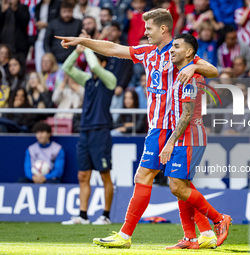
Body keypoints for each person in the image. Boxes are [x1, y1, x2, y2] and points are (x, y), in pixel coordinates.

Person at [56, 8, 219, 249]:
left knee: (149, 178)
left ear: (163, 29)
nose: (145, 32)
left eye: (149, 28)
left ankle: (125, 235)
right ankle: (205, 232)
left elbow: (213, 70)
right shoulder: (148, 52)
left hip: (172, 127)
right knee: (179, 184)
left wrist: (194, 67)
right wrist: (84, 42)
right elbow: (112, 48)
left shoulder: (179, 52)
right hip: (156, 127)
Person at [159, 33, 231, 249]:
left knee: (177, 186)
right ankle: (190, 238)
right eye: (171, 46)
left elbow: (187, 114)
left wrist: (170, 142)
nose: (171, 50)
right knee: (180, 185)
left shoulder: (191, 77)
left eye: (177, 46)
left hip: (188, 137)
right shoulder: (183, 72)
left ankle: (219, 219)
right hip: (184, 136)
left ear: (190, 52)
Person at [61, 37, 116, 225]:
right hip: (85, 131)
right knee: (83, 175)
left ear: (104, 63)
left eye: (95, 61)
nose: (90, 66)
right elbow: (66, 69)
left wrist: (85, 46)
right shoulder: (88, 81)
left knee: (104, 174)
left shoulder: (110, 79)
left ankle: (106, 216)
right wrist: (76, 51)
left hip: (101, 132)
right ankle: (83, 216)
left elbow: (94, 67)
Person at [44, 0, 82, 65]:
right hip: (56, 61)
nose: (67, 14)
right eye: (64, 11)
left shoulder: (78, 23)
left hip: (74, 61)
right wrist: (51, 58)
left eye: (69, 11)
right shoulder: (52, 24)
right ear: (60, 11)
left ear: (73, 11)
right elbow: (46, 43)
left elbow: (82, 41)